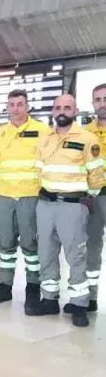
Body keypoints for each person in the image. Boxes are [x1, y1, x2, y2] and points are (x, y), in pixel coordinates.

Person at [30, 93, 104, 327]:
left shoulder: (87, 138)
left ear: (75, 111)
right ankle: (49, 299)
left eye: (67, 107)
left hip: (73, 206)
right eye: (58, 107)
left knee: (76, 255)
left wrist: (84, 198)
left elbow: (97, 175)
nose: (62, 111)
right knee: (46, 253)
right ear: (53, 111)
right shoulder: (44, 139)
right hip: (45, 204)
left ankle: (80, 304)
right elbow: (38, 170)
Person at [0, 89, 49, 306]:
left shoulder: (42, 130)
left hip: (29, 196)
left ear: (27, 106)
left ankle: (33, 286)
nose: (15, 109)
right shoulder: (0, 133)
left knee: (31, 243)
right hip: (4, 195)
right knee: (5, 242)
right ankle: (5, 286)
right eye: (11, 104)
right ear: (7, 107)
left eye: (20, 104)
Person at [83, 82, 106, 311]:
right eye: (98, 100)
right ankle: (90, 296)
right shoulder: (85, 133)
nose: (102, 104)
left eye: (105, 99)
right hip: (95, 197)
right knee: (92, 246)